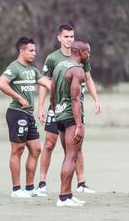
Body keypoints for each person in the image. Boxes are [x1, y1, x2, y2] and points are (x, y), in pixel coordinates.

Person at [37, 24, 101, 194]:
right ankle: (42, 183)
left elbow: (88, 79)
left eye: (72, 36)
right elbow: (45, 83)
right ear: (59, 38)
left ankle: (80, 184)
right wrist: (42, 106)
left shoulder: (82, 59)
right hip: (62, 108)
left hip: (70, 109)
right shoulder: (53, 59)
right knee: (50, 144)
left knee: (74, 149)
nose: (69, 39)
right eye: (66, 36)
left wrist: (96, 100)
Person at [0, 37, 51, 198]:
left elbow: (48, 84)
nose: (34, 53)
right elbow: (1, 84)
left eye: (35, 50)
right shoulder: (14, 67)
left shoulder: (33, 70)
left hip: (28, 115)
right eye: (31, 50)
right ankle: (16, 190)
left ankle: (29, 189)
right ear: (22, 51)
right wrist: (19, 98)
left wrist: (67, 85)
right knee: (17, 150)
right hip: (16, 113)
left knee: (36, 149)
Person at [50, 41, 90, 207]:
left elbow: (52, 94)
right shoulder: (78, 70)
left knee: (69, 157)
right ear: (80, 52)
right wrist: (79, 124)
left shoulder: (59, 65)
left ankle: (68, 194)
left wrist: (55, 111)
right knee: (71, 156)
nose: (89, 55)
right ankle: (62, 197)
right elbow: (74, 99)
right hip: (71, 118)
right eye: (88, 52)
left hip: (59, 115)